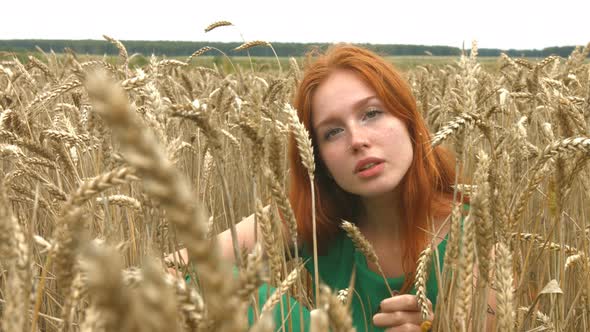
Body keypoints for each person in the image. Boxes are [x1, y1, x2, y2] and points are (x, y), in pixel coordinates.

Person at [167, 44, 464, 331]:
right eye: (332, 132)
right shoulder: (310, 216)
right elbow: (171, 270)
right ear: (318, 159)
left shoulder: (471, 230)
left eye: (371, 113)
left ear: (408, 120)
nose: (357, 140)